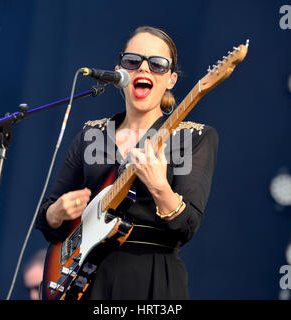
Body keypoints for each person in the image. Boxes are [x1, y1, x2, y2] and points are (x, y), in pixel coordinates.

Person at [35, 26, 218, 299]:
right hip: (85, 279)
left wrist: (159, 187)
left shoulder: (193, 137)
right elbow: (47, 214)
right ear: (119, 72)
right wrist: (57, 212)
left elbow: (188, 226)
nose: (144, 69)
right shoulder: (92, 133)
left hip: (150, 279)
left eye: (157, 65)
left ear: (171, 79)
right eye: (133, 61)